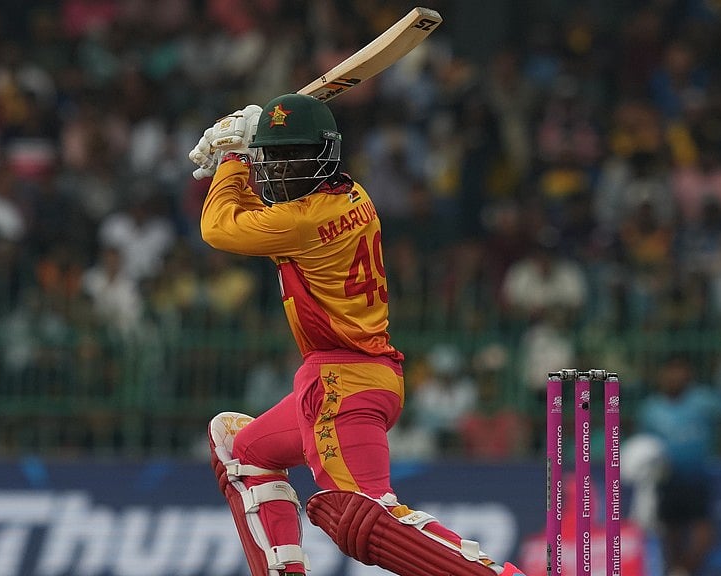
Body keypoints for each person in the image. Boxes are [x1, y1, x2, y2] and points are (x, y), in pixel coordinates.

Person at [189, 94, 526, 576]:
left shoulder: (300, 221)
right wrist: (242, 155)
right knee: (241, 448)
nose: (279, 169)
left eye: (293, 156)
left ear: (322, 156)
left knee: (363, 516)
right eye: (274, 157)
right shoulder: (353, 196)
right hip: (363, 377)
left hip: (341, 382)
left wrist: (233, 158)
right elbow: (255, 219)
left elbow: (218, 227)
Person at [636, 354, 721, 576]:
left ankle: (684, 570)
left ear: (688, 374)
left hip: (696, 477)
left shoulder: (703, 401)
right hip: (666, 479)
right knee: (671, 532)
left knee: (703, 530)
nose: (675, 376)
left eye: (680, 371)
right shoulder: (651, 409)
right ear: (661, 375)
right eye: (670, 371)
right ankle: (677, 569)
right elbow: (644, 445)